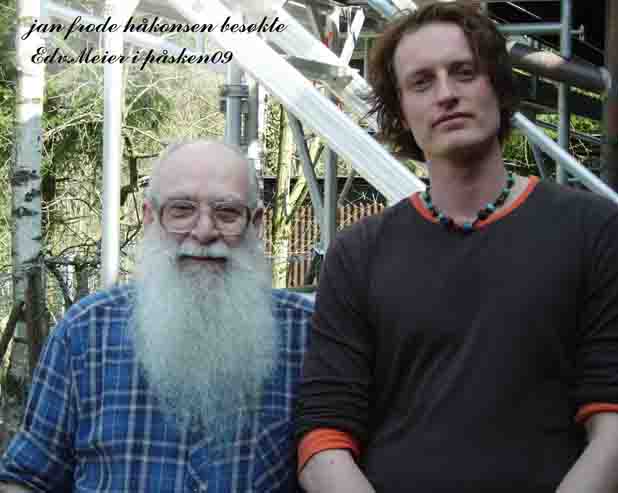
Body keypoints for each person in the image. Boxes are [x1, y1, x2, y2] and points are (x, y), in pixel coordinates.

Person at [294, 3, 618, 493]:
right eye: (421, 82)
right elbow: (324, 435)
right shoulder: (358, 253)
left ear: (498, 87)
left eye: (464, 72)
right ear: (401, 112)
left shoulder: (594, 230)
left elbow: (612, 423)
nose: (446, 94)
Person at [0, 140, 313, 492]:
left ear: (255, 223)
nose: (204, 231)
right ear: (150, 218)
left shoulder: (308, 334)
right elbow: (27, 479)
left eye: (227, 213)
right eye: (181, 210)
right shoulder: (85, 332)